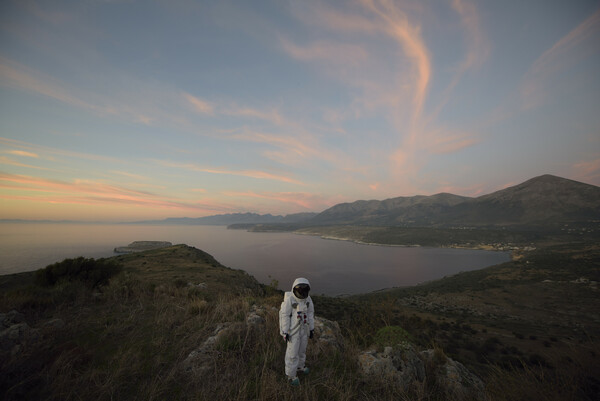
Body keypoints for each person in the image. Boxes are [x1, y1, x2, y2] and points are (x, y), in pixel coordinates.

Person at [279, 277, 315, 386]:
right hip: (293, 331)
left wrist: (311, 329)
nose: (302, 293)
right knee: (292, 352)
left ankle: (300, 366)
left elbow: (310, 314)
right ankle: (290, 375)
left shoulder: (308, 300)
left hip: (304, 329)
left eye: (304, 291)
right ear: (294, 290)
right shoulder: (290, 300)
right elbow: (284, 315)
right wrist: (285, 332)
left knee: (302, 350)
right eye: (300, 290)